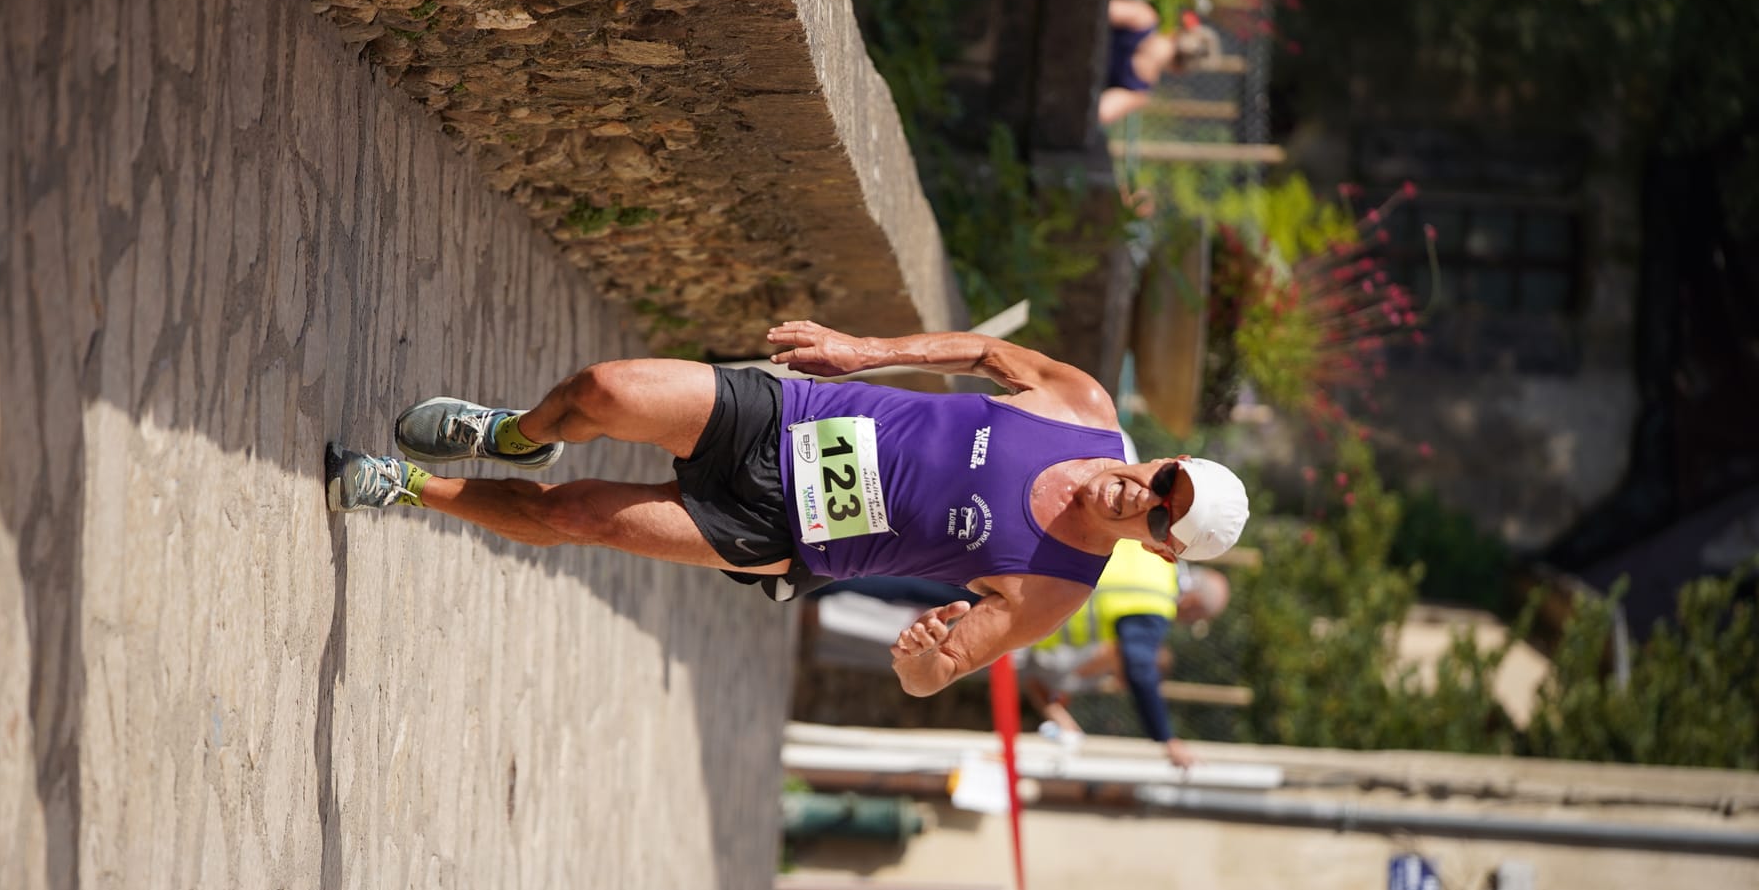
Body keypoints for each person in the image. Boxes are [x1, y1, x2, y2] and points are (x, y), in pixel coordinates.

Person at [326, 319, 1247, 695]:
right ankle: (518, 433)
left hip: (787, 537)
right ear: (1167, 455)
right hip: (800, 414)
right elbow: (980, 353)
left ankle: (402, 485)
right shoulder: (1080, 404)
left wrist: (924, 658)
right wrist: (859, 351)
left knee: (579, 516)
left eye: (1164, 513)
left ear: (1161, 550)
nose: (1148, 493)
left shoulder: (1055, 589)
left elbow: (941, 675)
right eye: (1168, 474)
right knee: (602, 389)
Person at [1021, 540, 1233, 771]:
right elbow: (1140, 670)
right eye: (1193, 618)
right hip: (1027, 620)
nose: (1184, 623)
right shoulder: (1156, 603)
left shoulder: (1156, 553)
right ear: (1193, 602)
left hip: (1029, 563)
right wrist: (1166, 738)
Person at [1098, 0, 1221, 127]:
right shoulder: (1138, 90)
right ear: (1178, 70)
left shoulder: (1143, 18)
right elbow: (1100, 112)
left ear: (1177, 31)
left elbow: (1097, 7)